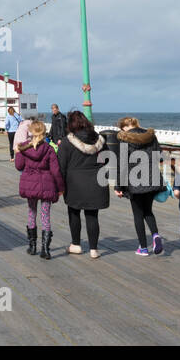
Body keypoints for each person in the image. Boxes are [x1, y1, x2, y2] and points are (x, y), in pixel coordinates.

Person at [56, 110, 110, 258]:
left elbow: (61, 166)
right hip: (96, 182)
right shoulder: (99, 140)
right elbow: (107, 159)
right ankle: (94, 249)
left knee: (74, 213)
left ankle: (76, 245)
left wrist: (59, 187)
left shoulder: (67, 142)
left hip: (74, 183)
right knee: (92, 216)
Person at [111, 116, 166, 256]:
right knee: (148, 211)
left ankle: (143, 247)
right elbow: (159, 157)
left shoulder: (124, 138)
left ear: (124, 127)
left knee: (138, 214)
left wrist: (118, 187)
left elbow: (122, 165)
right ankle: (155, 235)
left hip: (134, 182)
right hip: (152, 179)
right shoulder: (150, 136)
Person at [14, 119, 64, 259]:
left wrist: (18, 153)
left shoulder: (24, 148)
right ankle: (46, 250)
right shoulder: (49, 149)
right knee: (45, 216)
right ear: (44, 132)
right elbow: (55, 171)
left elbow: (19, 166)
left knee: (32, 213)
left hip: (30, 184)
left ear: (31, 132)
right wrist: (60, 188)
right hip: (46, 185)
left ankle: (32, 246)